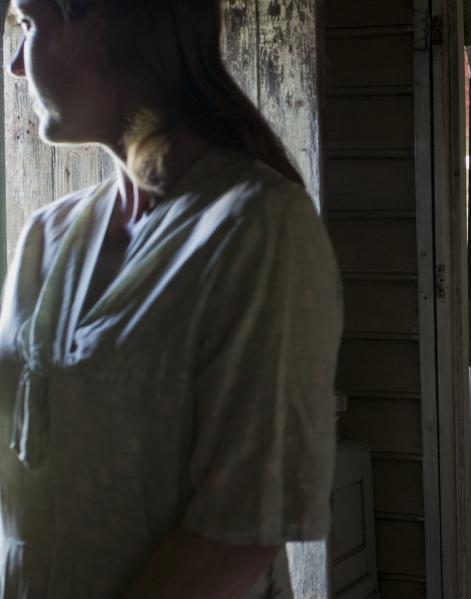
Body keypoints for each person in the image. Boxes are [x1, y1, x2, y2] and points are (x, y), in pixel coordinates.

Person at [0, 0, 343, 597]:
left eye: (29, 24)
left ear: (100, 25)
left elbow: (239, 533)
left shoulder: (256, 226)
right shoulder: (46, 237)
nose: (15, 66)